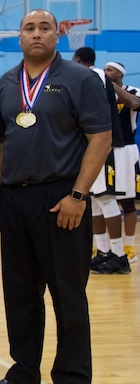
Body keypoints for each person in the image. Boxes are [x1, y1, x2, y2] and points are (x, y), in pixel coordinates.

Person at [0, 9, 111, 384]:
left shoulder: (81, 79)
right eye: (29, 28)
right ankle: (24, 372)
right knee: (20, 293)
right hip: (15, 200)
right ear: (18, 36)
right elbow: (4, 142)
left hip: (62, 199)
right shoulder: (5, 83)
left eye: (44, 28)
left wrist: (78, 194)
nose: (36, 34)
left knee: (67, 295)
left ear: (59, 34)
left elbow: (101, 138)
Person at [72, 47, 131, 275]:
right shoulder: (94, 75)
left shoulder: (93, 75)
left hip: (105, 145)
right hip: (94, 146)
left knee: (106, 199)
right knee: (95, 201)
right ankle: (104, 252)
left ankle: (119, 255)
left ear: (78, 60)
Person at [103, 61, 140, 264]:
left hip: (127, 150)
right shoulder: (104, 93)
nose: (106, 72)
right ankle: (104, 249)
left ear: (119, 73)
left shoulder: (133, 90)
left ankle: (128, 246)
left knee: (127, 202)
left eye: (110, 70)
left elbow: (134, 104)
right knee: (103, 199)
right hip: (108, 151)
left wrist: (113, 85)